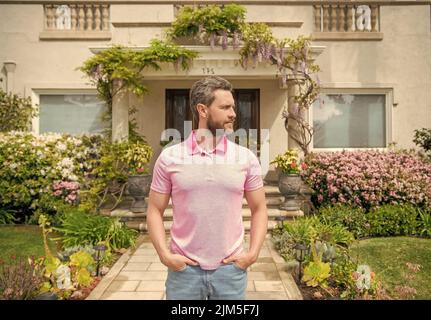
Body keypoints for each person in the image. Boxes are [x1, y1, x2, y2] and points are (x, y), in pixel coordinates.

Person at [147, 76, 268, 300]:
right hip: (184, 273)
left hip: (231, 271)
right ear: (203, 110)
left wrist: (251, 254)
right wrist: (164, 255)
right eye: (225, 107)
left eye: (233, 106)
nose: (233, 113)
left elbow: (259, 208)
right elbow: (154, 209)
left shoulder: (246, 158)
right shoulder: (170, 157)